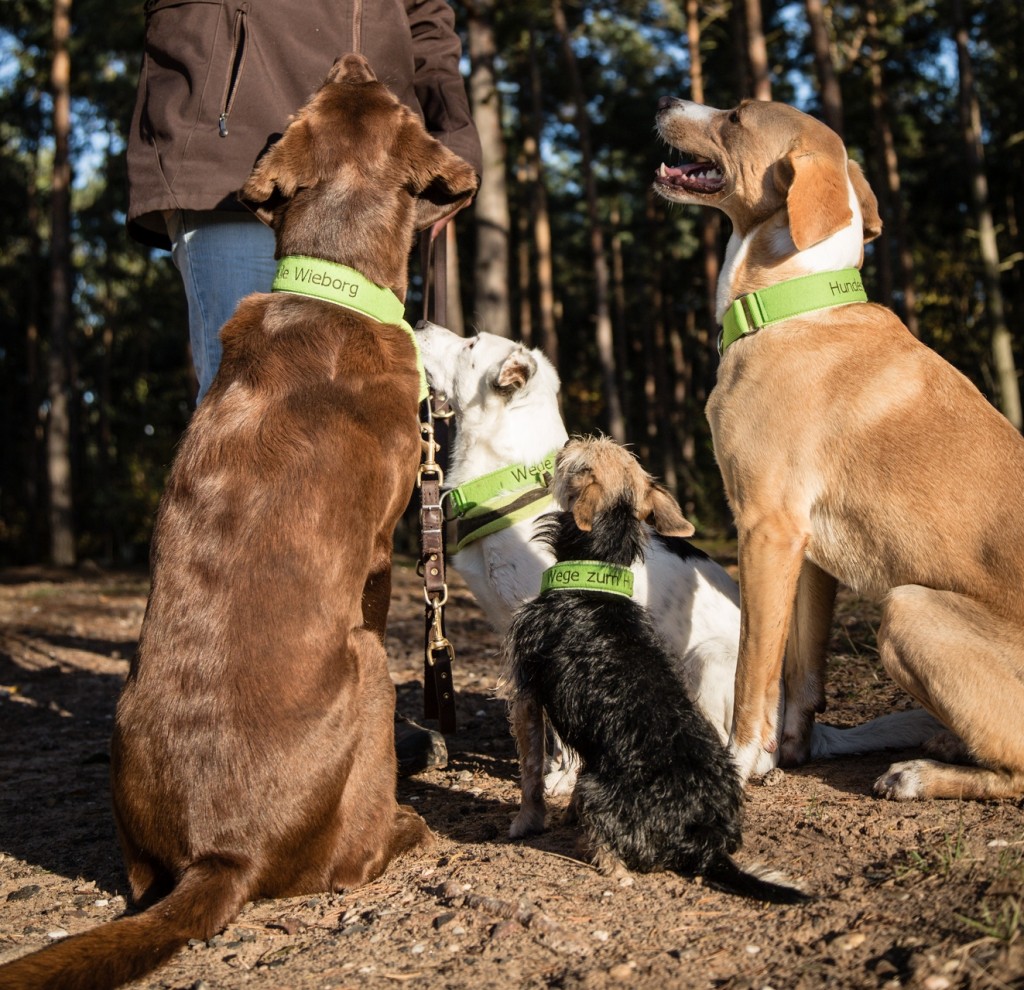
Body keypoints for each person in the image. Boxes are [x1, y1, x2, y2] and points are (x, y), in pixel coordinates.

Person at [126, 0, 483, 773]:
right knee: (242, 461)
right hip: (228, 149)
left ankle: (336, 718)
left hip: (368, 157)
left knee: (358, 470)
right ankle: (210, 727)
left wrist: (447, 130)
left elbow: (426, 18)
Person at [126, 0, 482, 402]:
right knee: (251, 415)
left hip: (376, 164)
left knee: (362, 418)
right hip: (237, 145)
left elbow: (427, 14)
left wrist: (452, 135)